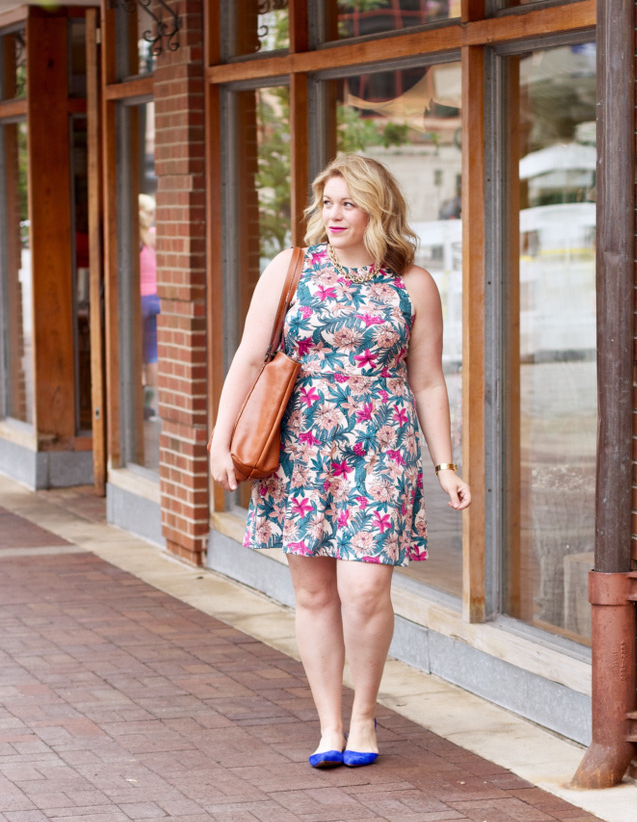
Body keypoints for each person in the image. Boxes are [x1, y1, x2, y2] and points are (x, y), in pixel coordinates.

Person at [209, 155, 471, 769]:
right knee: (314, 592)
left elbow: (428, 381)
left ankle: (364, 716)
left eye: (349, 203)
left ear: (377, 210)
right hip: (301, 447)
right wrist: (221, 440)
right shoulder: (292, 270)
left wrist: (446, 465)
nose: (334, 214)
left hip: (380, 448)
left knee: (366, 588)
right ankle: (329, 725)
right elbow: (249, 358)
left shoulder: (413, 284)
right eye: (328, 202)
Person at [139, 193, 160, 418]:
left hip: (138, 302)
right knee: (152, 355)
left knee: (135, 352)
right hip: (156, 299)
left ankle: (139, 401)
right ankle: (151, 403)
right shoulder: (154, 237)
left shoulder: (132, 239)